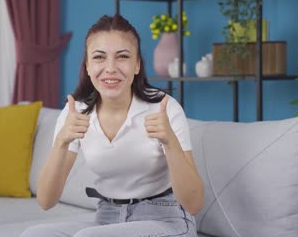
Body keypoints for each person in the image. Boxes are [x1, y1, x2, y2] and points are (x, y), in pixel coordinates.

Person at [21, 14, 204, 237]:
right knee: (36, 234)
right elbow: (46, 201)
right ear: (87, 66)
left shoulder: (164, 108)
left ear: (137, 65)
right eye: (99, 57)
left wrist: (170, 142)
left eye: (122, 57)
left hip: (167, 219)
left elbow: (194, 204)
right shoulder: (75, 112)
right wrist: (61, 141)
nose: (110, 68)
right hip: (107, 217)